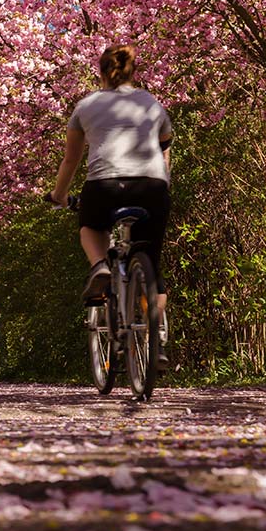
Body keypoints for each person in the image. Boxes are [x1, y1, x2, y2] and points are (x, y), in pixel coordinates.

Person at [48, 43, 173, 354]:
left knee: (91, 227)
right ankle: (155, 339)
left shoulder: (86, 106)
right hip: (152, 187)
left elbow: (71, 160)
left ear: (101, 72)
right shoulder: (152, 104)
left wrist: (59, 195)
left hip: (103, 185)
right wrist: (162, 185)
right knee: (152, 266)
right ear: (133, 71)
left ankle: (100, 266)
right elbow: (164, 150)